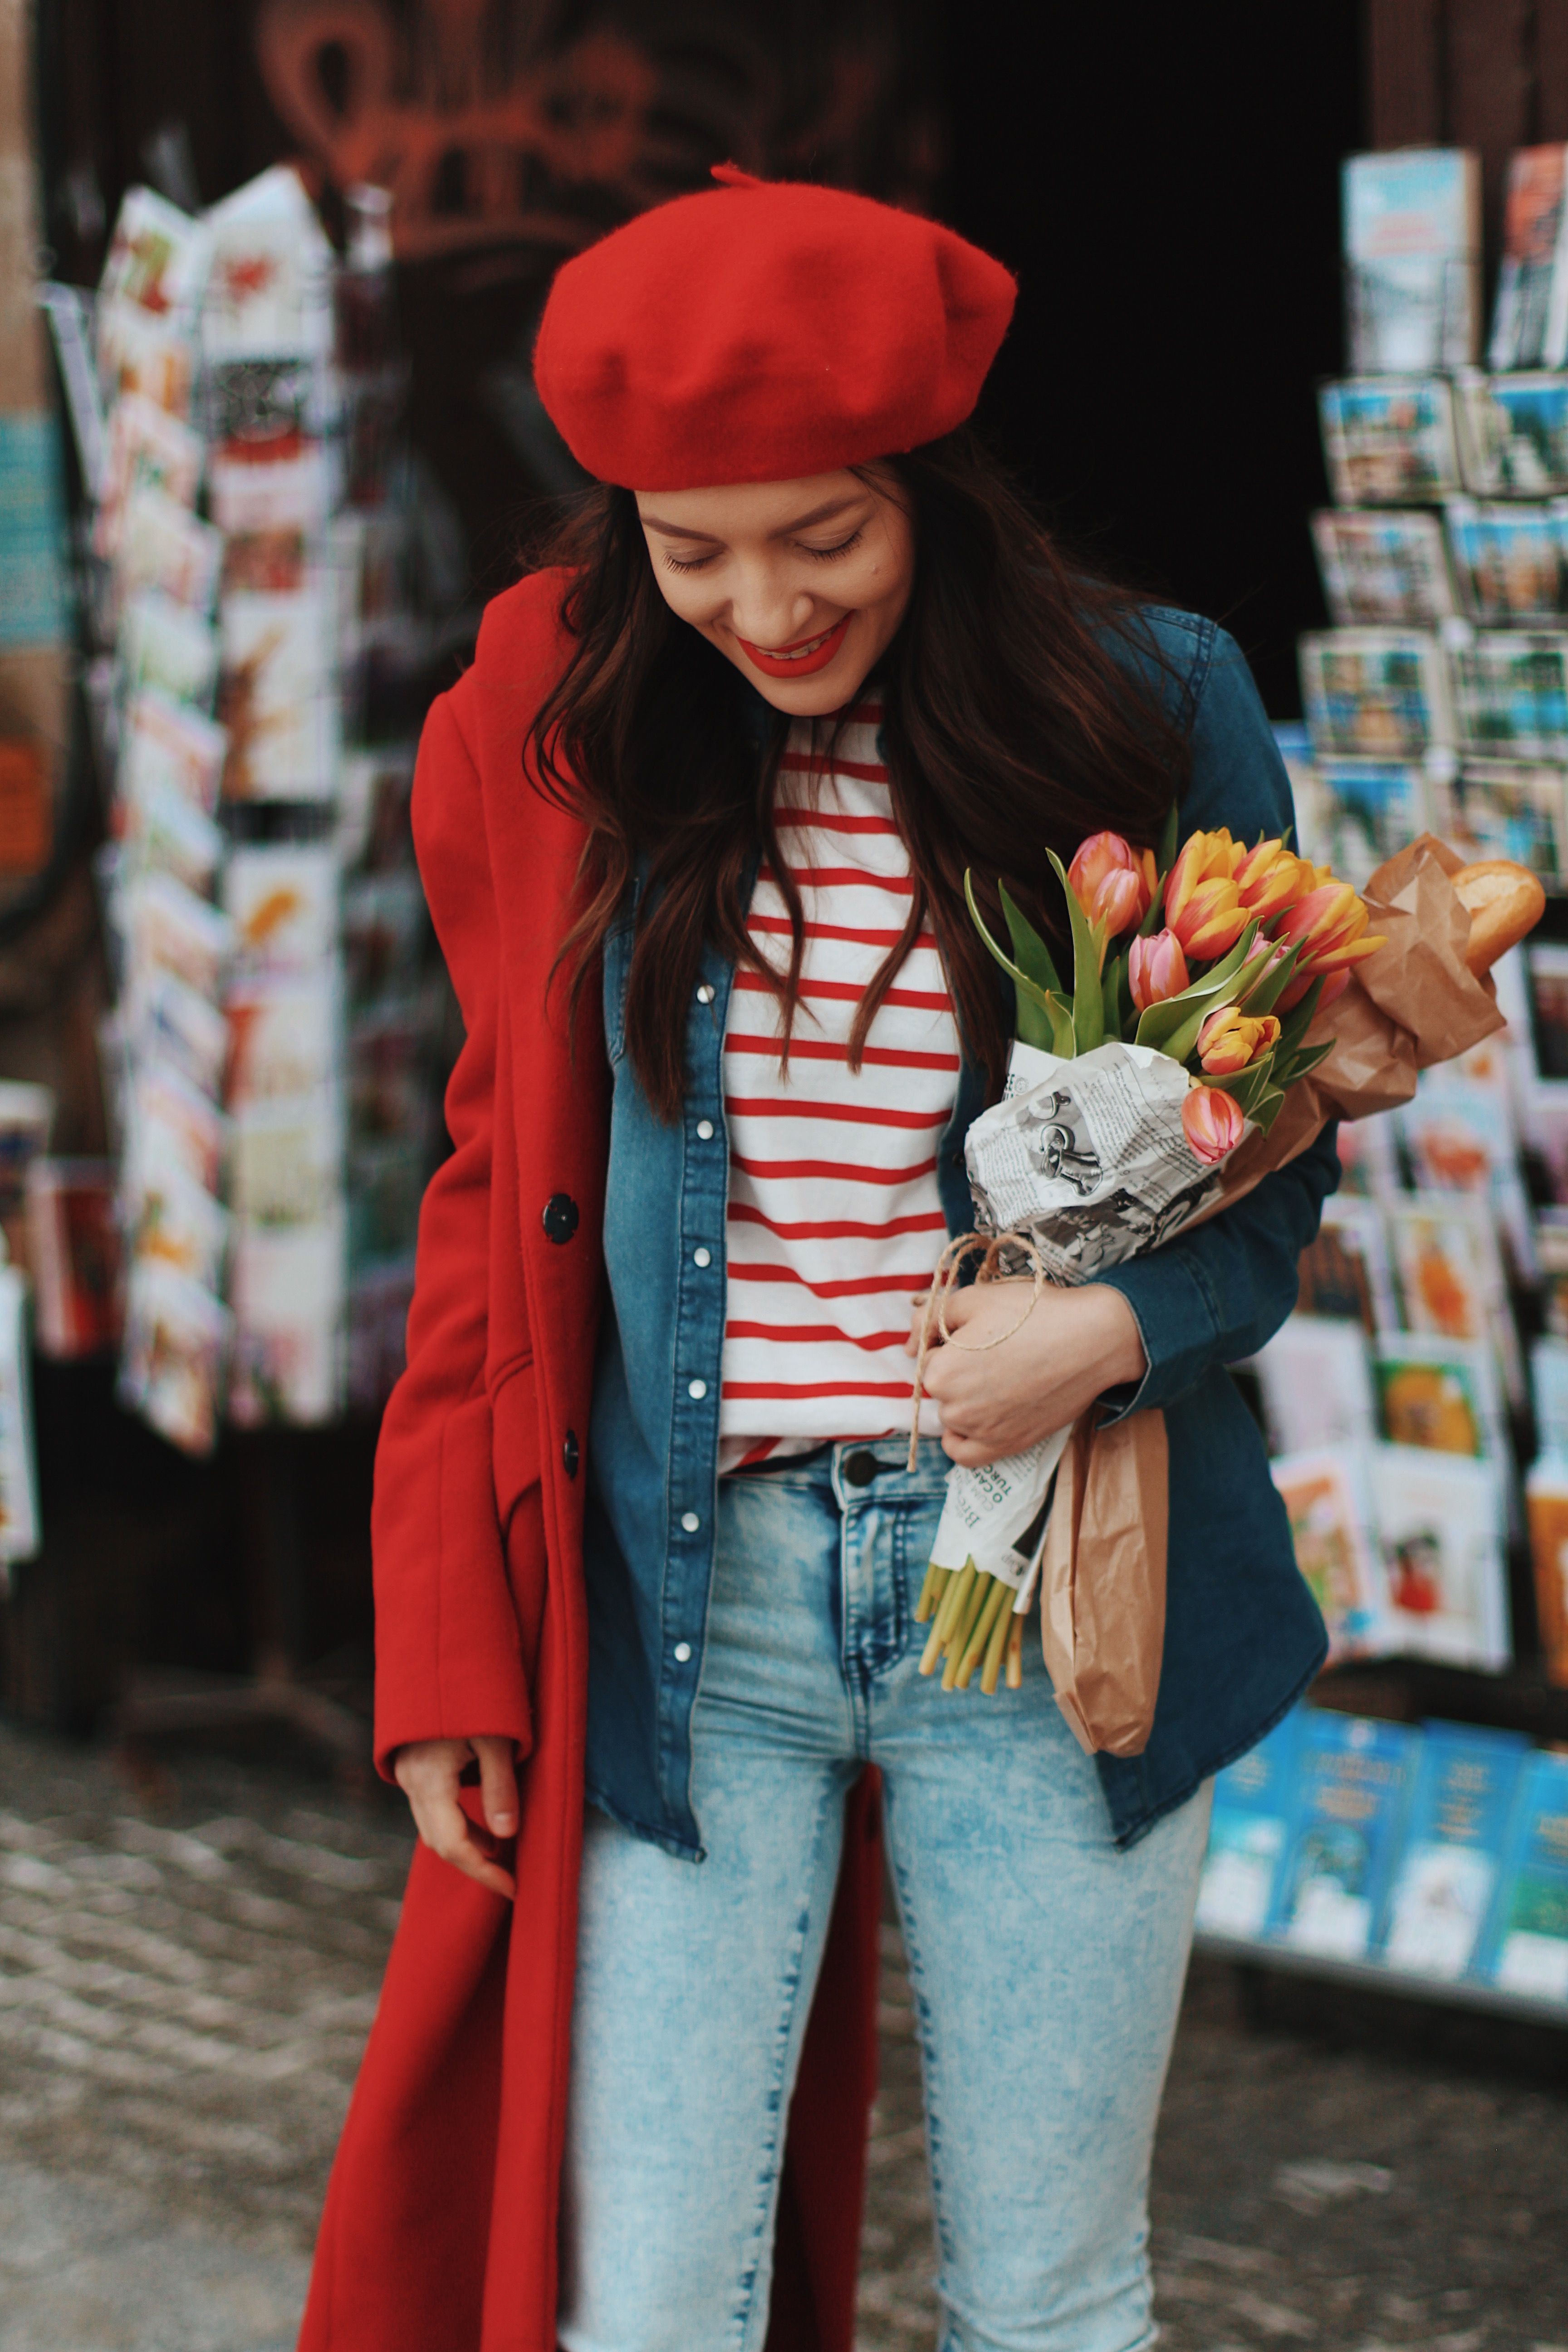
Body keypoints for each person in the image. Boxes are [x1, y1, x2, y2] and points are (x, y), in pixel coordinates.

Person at [299, 172, 1331, 2352]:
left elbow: (1277, 1178)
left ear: (928, 490)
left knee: (1052, 2300)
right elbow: (492, 1196)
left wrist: (1113, 1328)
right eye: (694, 551)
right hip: (697, 1609)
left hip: (1047, 1605)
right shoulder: (559, 728)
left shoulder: (1147, 707)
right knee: (650, 2304)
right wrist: (444, 1649)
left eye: (823, 537)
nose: (762, 605)